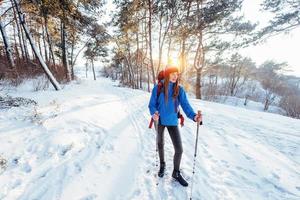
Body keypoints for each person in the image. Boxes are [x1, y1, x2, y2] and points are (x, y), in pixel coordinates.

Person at [148, 65, 202, 187]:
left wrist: (194, 116)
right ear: (167, 75)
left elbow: (186, 106)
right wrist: (153, 113)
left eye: (176, 74)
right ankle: (162, 165)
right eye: (172, 74)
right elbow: (152, 104)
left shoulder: (179, 90)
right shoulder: (158, 88)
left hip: (173, 121)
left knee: (179, 149)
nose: (175, 76)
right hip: (160, 120)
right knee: (160, 144)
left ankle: (176, 173)